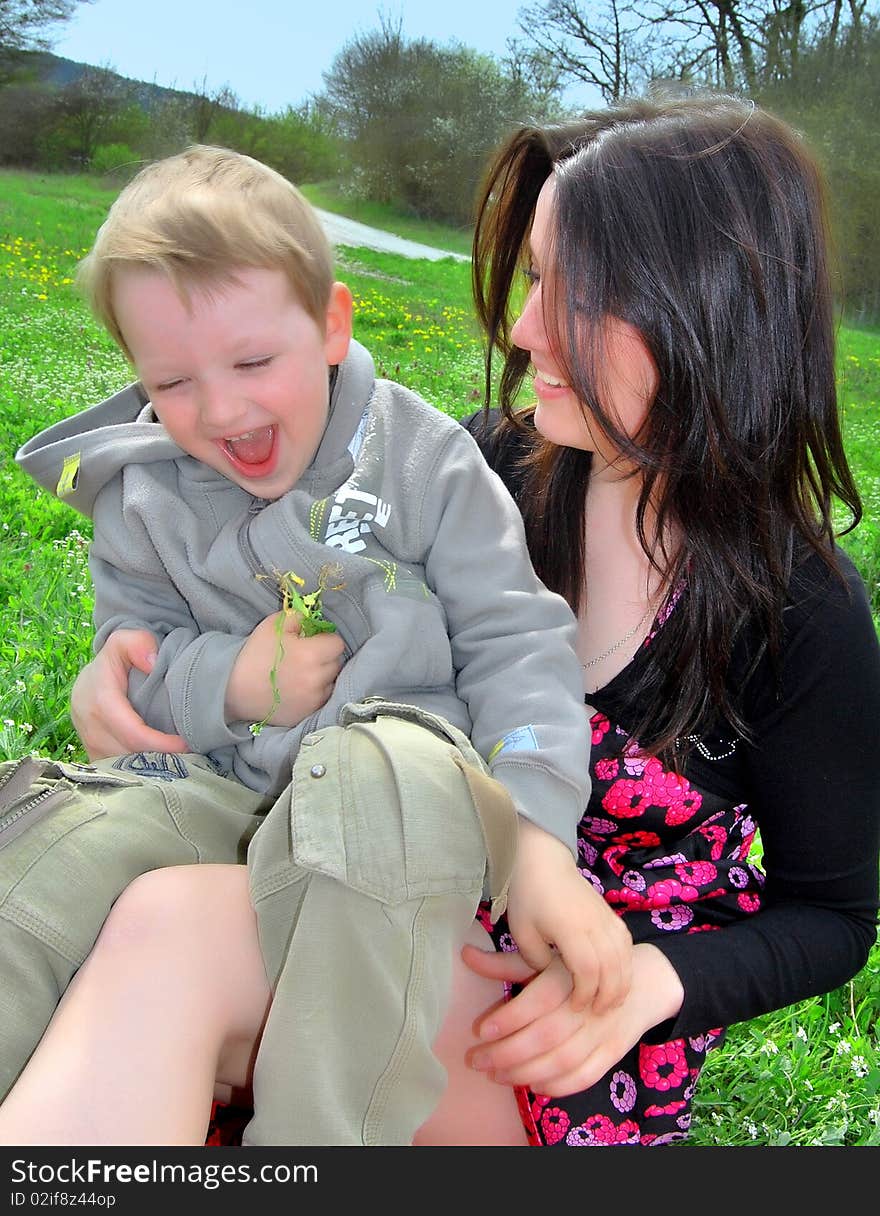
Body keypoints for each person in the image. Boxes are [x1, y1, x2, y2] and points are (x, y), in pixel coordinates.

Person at [4, 89, 880, 1149]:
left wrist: (648, 982)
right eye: (530, 280)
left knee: (170, 934)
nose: (517, 329)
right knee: (89, 895)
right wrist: (130, 677)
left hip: (547, 1044)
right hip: (364, 893)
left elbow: (832, 920)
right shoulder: (490, 470)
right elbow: (265, 635)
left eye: (569, 291)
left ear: (701, 309)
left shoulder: (800, 613)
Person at [0, 144, 631, 1147]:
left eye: (253, 361)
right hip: (218, 797)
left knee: (389, 766)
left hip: (395, 822)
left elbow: (517, 642)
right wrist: (231, 681)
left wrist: (541, 846)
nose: (222, 410)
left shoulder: (421, 455)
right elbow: (135, 668)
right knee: (52, 849)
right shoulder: (142, 493)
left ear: (332, 324)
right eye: (172, 381)